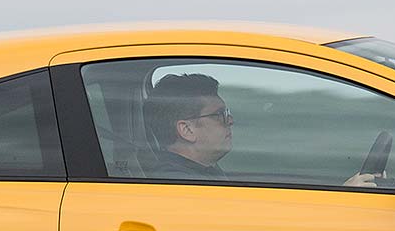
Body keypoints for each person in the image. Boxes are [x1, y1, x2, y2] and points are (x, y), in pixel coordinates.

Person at [144, 72, 377, 186]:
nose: (231, 120)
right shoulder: (180, 183)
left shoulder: (202, 172)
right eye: (220, 115)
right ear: (186, 130)